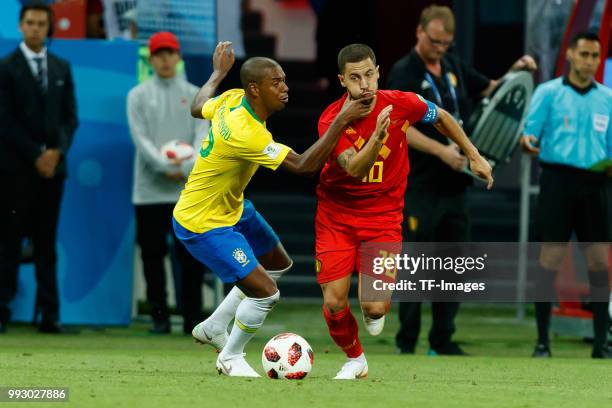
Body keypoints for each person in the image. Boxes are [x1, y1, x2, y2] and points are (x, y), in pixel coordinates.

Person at [172, 41, 372, 377]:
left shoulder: (233, 98)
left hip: (232, 209)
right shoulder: (244, 132)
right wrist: (342, 120)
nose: (285, 88)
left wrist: (218, 73)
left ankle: (215, 327)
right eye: (276, 82)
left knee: (277, 261)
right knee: (266, 293)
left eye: (284, 80)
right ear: (255, 88)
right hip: (202, 222)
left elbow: (197, 106)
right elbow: (305, 166)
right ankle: (231, 357)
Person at [315, 43, 493, 379]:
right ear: (342, 81)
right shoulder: (330, 120)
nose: (365, 84)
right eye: (355, 78)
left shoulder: (401, 103)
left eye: (369, 74)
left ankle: (373, 309)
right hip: (336, 217)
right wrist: (378, 137)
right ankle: (355, 359)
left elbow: (440, 116)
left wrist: (472, 154)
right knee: (335, 302)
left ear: (378, 72)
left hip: (383, 219)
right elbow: (352, 168)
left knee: (374, 306)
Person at [386, 5, 536, 355]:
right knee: (417, 265)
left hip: (455, 189)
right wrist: (442, 152)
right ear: (419, 32)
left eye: (446, 43)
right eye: (435, 41)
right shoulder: (404, 72)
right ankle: (406, 342)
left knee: (453, 266)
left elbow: (490, 90)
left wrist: (516, 73)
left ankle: (442, 340)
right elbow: (398, 127)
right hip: (419, 186)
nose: (440, 48)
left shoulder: (453, 67)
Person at [520, 32, 611, 359]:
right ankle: (542, 342)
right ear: (570, 55)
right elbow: (528, 135)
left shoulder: (608, 99)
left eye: (595, 55)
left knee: (600, 262)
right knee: (550, 259)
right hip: (557, 181)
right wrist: (526, 142)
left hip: (597, 184)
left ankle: (601, 342)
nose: (589, 61)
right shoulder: (548, 93)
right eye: (584, 54)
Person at [0, 1, 78, 334]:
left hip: (53, 172)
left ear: (48, 28)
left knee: (47, 243)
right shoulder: (5, 67)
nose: (35, 28)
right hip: (15, 171)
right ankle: (2, 309)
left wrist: (56, 153)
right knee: (8, 241)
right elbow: (3, 120)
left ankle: (50, 314)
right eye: (29, 22)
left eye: (41, 23)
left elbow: (70, 119)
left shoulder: (61, 67)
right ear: (20, 26)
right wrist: (36, 154)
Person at [127, 31, 208, 335]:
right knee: (152, 254)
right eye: (159, 54)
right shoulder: (137, 95)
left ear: (178, 57)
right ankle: (159, 317)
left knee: (190, 257)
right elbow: (141, 140)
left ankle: (192, 318)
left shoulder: (196, 94)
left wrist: (185, 167)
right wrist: (164, 166)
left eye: (170, 53)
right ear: (151, 58)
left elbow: (203, 138)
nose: (165, 59)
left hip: (187, 191)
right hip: (148, 191)